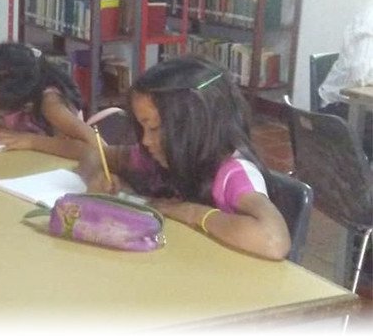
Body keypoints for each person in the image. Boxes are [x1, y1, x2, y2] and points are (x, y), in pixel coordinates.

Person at [76, 55, 291, 260]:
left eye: (154, 128)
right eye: (142, 128)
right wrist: (98, 177)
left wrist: (193, 213)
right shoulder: (157, 156)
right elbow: (93, 154)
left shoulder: (232, 173)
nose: (145, 141)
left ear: (194, 126)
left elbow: (274, 240)